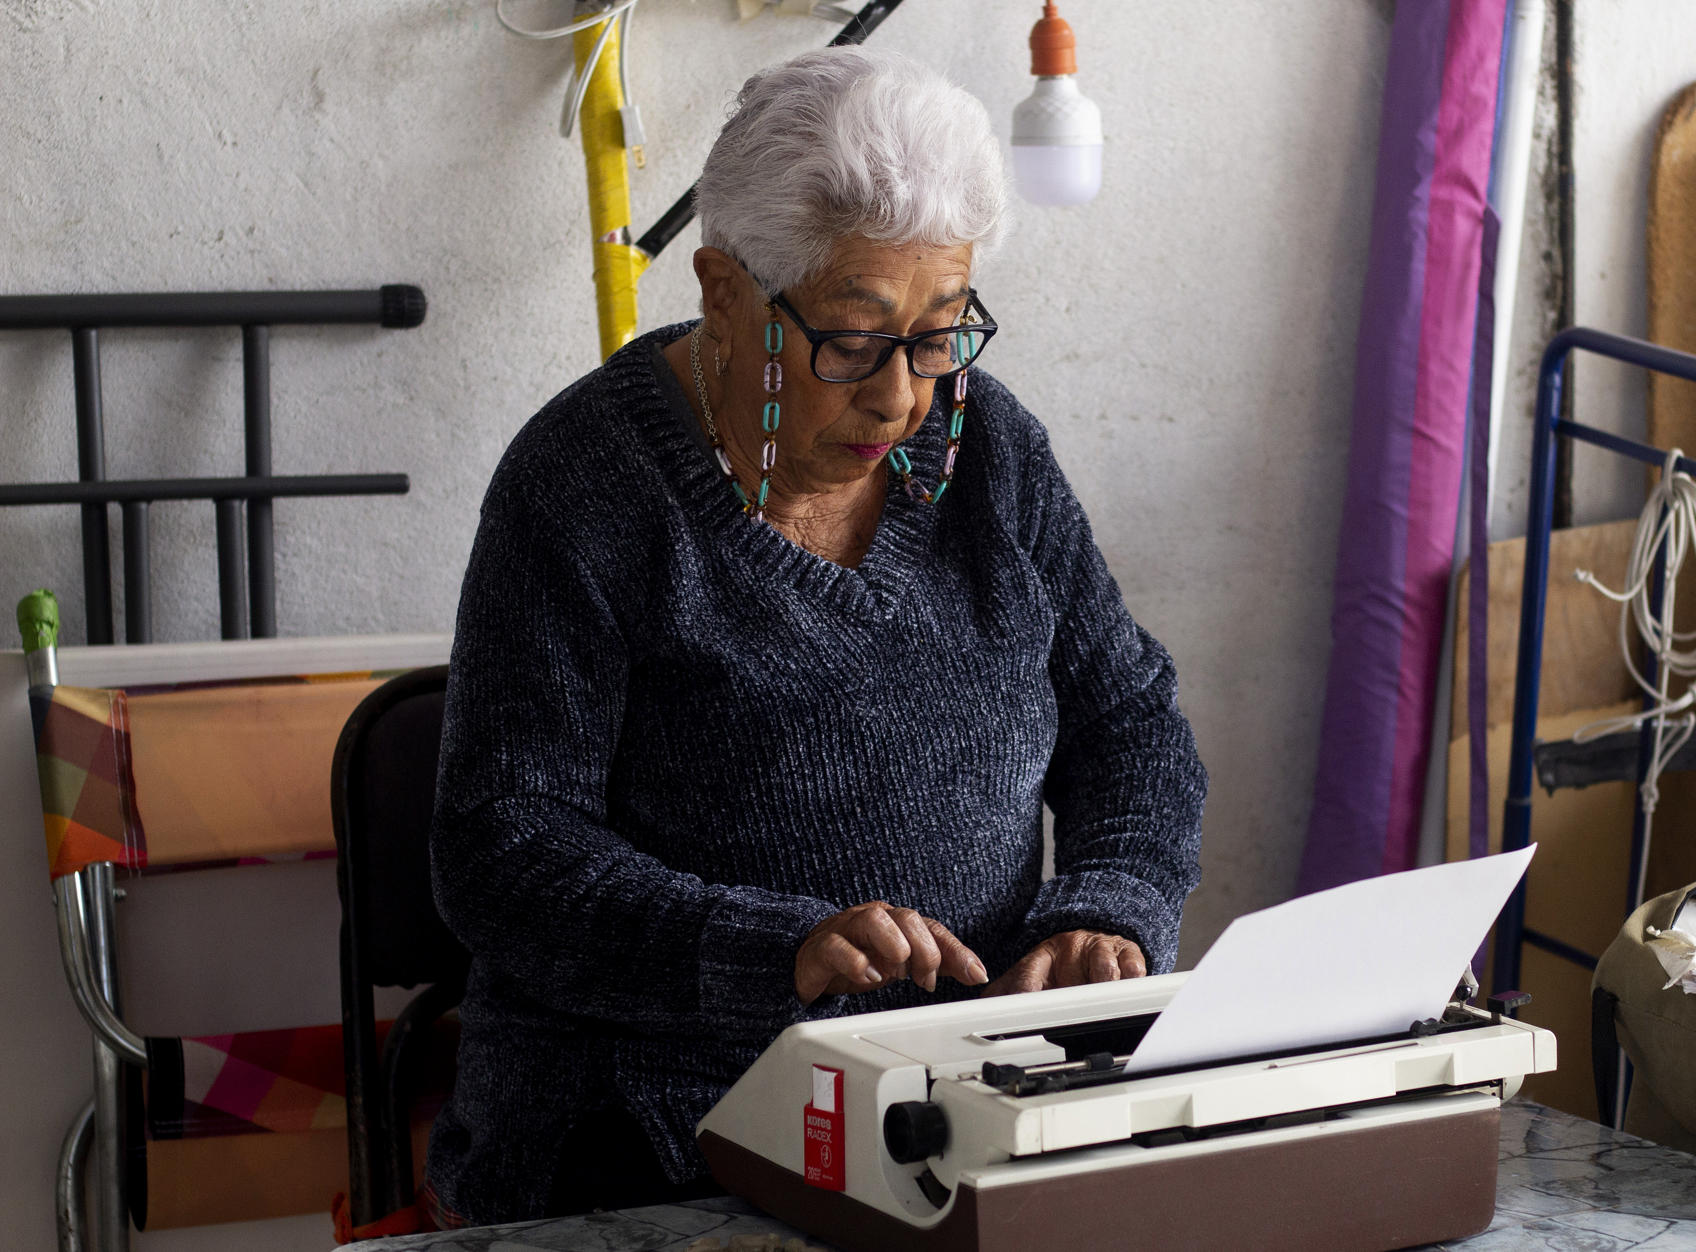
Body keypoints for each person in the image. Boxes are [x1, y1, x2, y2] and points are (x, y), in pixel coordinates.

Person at [424, 45, 1206, 1227]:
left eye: (943, 330)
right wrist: (772, 952)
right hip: (649, 1137)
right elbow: (503, 853)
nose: (903, 396)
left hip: (961, 1114)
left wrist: (1108, 903)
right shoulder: (585, 487)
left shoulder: (983, 451)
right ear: (725, 295)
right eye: (853, 339)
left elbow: (1131, 720)